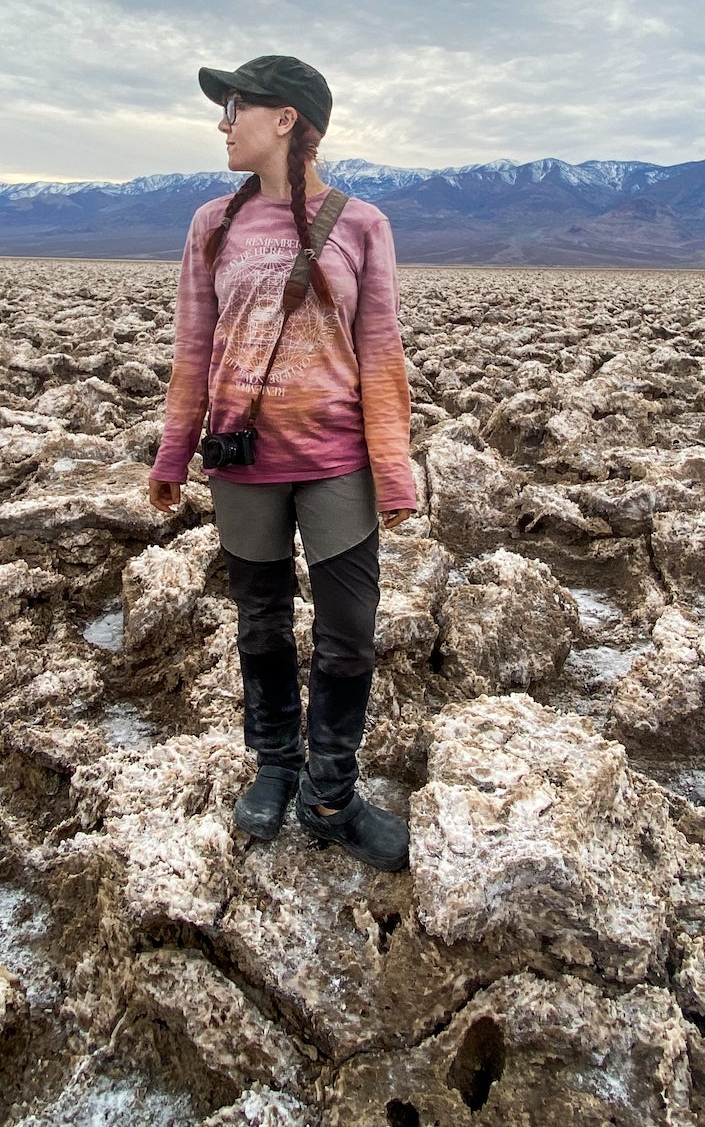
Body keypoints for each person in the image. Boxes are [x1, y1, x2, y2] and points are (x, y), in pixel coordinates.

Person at [146, 55, 419, 871]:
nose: (223, 124)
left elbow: (381, 352)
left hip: (336, 460)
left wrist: (394, 470)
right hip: (242, 461)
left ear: (287, 119)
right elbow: (193, 349)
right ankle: (276, 767)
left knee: (348, 636)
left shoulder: (362, 223)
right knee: (260, 624)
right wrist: (173, 450)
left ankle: (332, 795)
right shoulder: (212, 225)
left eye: (235, 107)